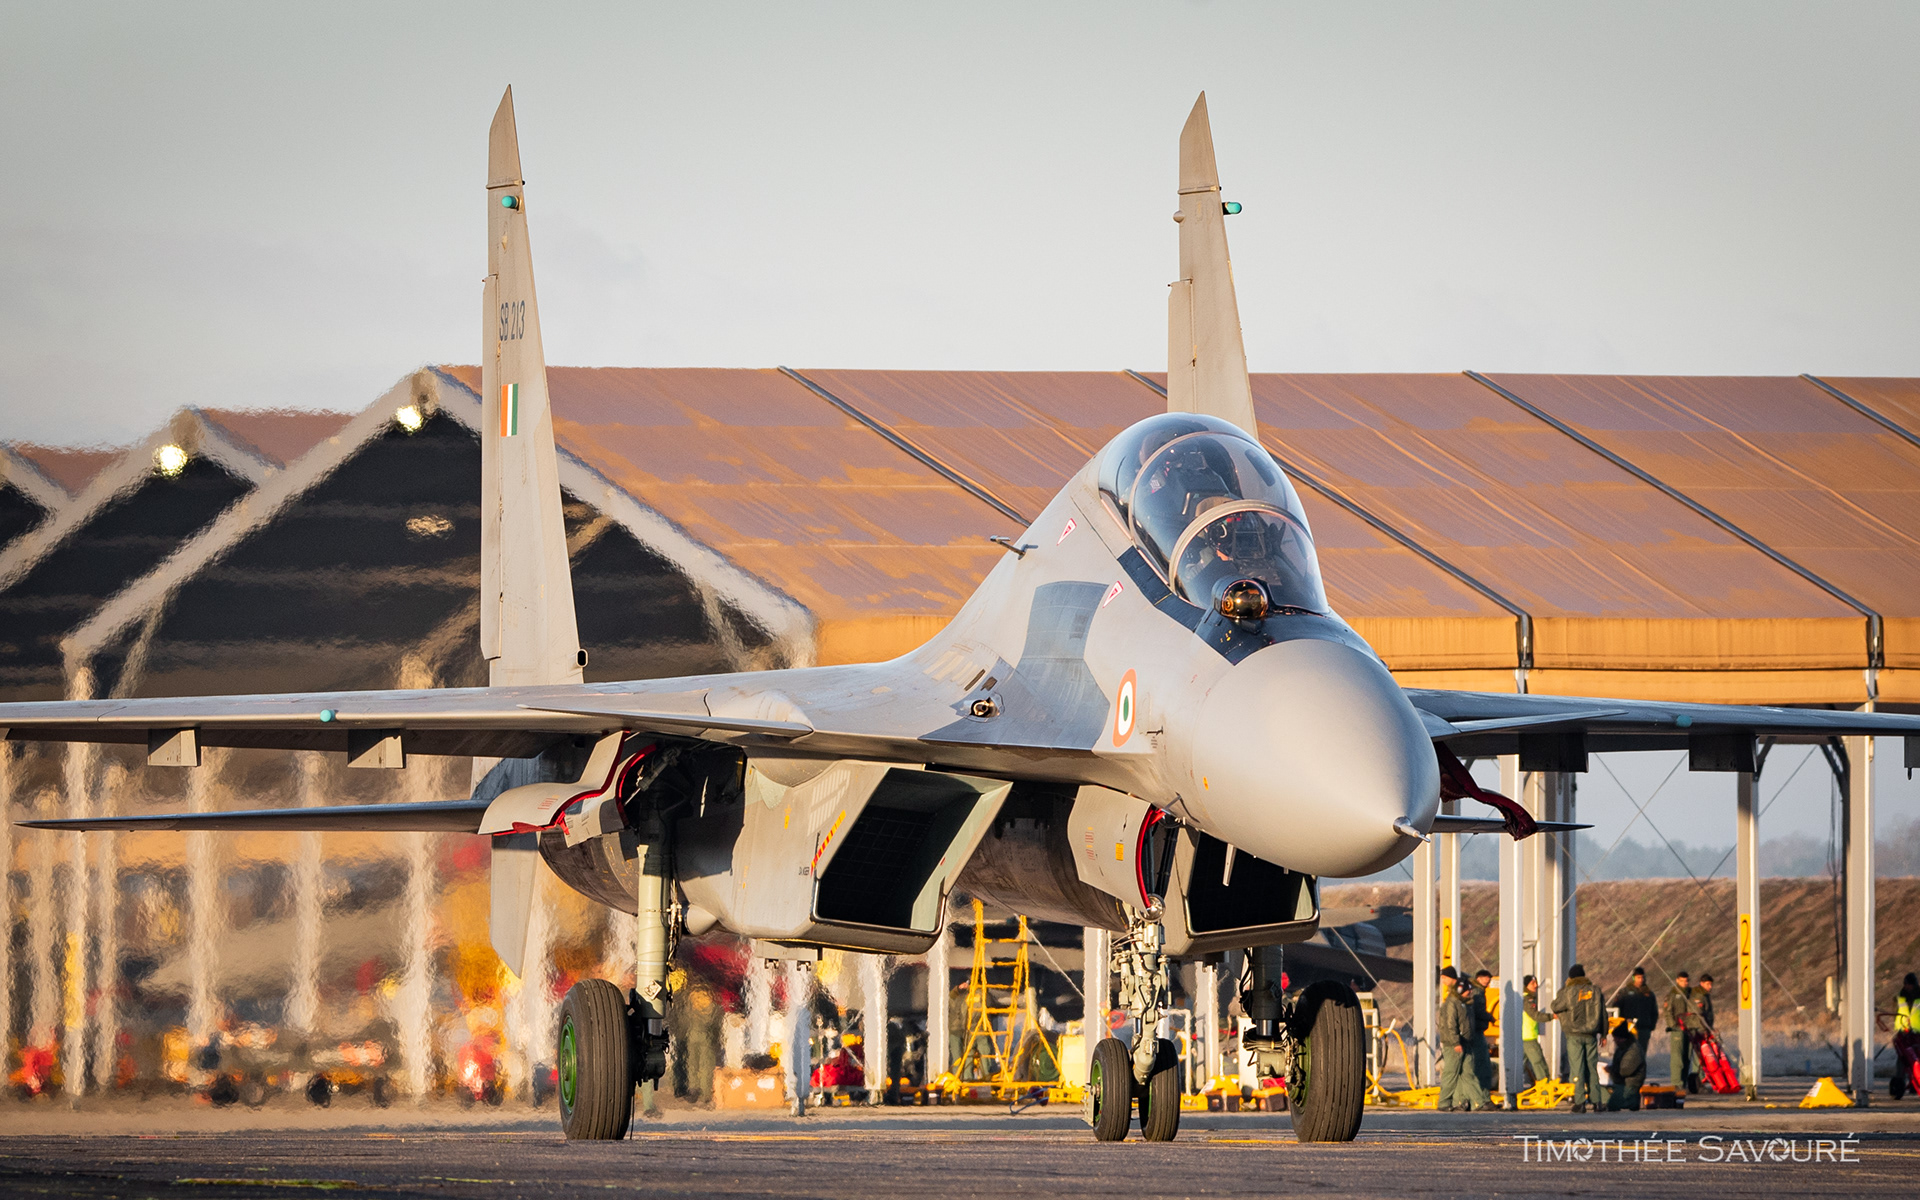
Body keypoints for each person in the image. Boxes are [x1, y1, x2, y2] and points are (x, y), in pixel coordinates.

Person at [1551, 963, 1606, 1113]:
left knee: (1577, 1069)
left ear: (1571, 977)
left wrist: (1564, 989)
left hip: (1574, 1035)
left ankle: (1580, 1102)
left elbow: (1555, 1006)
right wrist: (1604, 1033)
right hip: (1591, 1035)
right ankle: (1597, 1102)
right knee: (1592, 1068)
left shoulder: (1568, 992)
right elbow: (1603, 1014)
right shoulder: (1596, 991)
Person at [1437, 968, 1490, 1112]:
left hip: (1465, 1042)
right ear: (1461, 990)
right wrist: (1455, 1043)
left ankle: (1479, 1102)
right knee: (1452, 1073)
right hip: (1455, 1044)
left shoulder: (1463, 1003)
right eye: (1468, 990)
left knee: (1468, 1073)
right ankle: (1444, 1103)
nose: (1470, 992)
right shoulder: (1452, 1003)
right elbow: (1450, 1025)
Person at [1610, 967, 1659, 1064]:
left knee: (1641, 1054)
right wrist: (1620, 1027)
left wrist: (1651, 1026)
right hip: (1628, 1029)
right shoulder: (1624, 992)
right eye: (1638, 977)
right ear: (1633, 978)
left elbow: (1654, 1012)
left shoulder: (1649, 994)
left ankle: (1639, 1075)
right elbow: (1615, 1009)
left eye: (1642, 977)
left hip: (1643, 1028)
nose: (1640, 980)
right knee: (1627, 1053)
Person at [1666, 971, 1701, 1091]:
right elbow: (1668, 1012)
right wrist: (1673, 1025)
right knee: (1678, 1057)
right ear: (1677, 980)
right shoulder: (1673, 994)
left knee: (1687, 1057)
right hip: (1678, 1030)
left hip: (1690, 1028)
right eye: (1682, 980)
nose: (1685, 983)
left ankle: (1684, 1082)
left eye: (1686, 980)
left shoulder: (1691, 993)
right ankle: (1676, 1082)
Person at [1605, 1019, 1646, 1111]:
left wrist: (1611, 1070)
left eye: (1615, 1038)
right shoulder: (1622, 1048)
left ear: (1622, 1038)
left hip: (1630, 1082)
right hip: (1622, 1081)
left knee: (1613, 1104)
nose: (1614, 1041)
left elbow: (1625, 1071)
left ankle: (1632, 1101)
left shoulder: (1633, 1051)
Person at [1521, 975, 1554, 1088]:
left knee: (1520, 1064)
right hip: (1528, 1036)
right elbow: (1535, 1015)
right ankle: (1545, 1088)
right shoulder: (1528, 999)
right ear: (1526, 985)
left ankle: (1512, 1087)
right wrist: (1552, 1016)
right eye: (1532, 983)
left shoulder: (1523, 997)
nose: (1536, 985)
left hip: (1523, 1036)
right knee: (1538, 1063)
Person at [1892, 972, 1919, 1100]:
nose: (1908, 987)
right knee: (1902, 1060)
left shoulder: (1918, 997)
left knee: (1916, 1059)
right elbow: (1896, 1011)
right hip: (1904, 1033)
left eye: (1910, 984)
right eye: (1907, 984)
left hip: (1917, 1034)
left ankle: (1914, 1083)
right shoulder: (1900, 998)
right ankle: (1899, 1083)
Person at [1470, 969, 1496, 1096]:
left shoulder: (1478, 991)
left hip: (1476, 1030)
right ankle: (1482, 1094)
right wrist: (1490, 1017)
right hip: (1476, 1031)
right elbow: (1479, 1011)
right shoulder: (1477, 992)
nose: (1488, 980)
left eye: (1489, 978)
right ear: (1478, 978)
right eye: (1485, 978)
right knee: (1483, 1064)